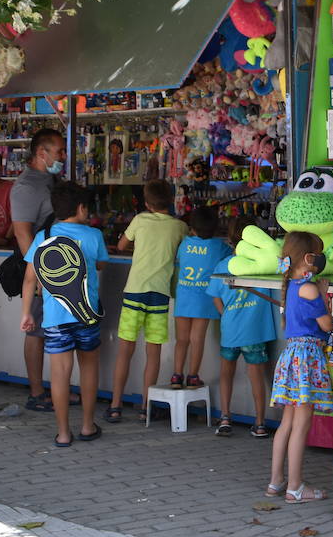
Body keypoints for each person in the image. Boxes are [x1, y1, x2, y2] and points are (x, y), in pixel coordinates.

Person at [20, 182, 109, 448]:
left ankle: (62, 433)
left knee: (60, 373)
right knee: (89, 367)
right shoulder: (94, 235)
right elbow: (102, 264)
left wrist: (26, 313)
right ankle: (87, 425)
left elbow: (28, 279)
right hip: (87, 315)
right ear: (82, 208)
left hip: (55, 317)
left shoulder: (43, 235)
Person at [107, 180, 187, 421]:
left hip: (135, 291)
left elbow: (121, 245)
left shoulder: (140, 220)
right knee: (154, 353)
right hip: (159, 295)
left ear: (146, 202)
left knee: (125, 351)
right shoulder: (180, 227)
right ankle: (145, 407)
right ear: (172, 200)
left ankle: (115, 405)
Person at [267, 231, 333, 503]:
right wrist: (324, 297)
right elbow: (326, 325)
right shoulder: (309, 289)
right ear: (309, 258)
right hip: (307, 358)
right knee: (302, 424)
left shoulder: (292, 286)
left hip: (291, 356)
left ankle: (276, 482)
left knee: (287, 424)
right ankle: (295, 487)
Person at [11, 127, 67, 412]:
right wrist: (39, 274)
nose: (64, 156)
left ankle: (57, 390)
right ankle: (36, 392)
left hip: (61, 267)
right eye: (59, 151)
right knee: (35, 331)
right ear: (41, 153)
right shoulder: (27, 187)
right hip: (43, 271)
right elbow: (22, 233)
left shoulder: (50, 179)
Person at [206, 215, 277, 438]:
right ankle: (260, 423)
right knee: (256, 375)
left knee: (226, 373)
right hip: (255, 332)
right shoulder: (263, 267)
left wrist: (226, 314)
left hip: (230, 330)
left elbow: (215, 296)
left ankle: (225, 417)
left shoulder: (223, 265)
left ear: (229, 238)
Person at [171, 205, 223, 389]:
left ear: (192, 227)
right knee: (197, 339)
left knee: (182, 340)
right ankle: (193, 376)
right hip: (204, 299)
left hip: (184, 296)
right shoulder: (219, 247)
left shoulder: (185, 244)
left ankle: (177, 376)